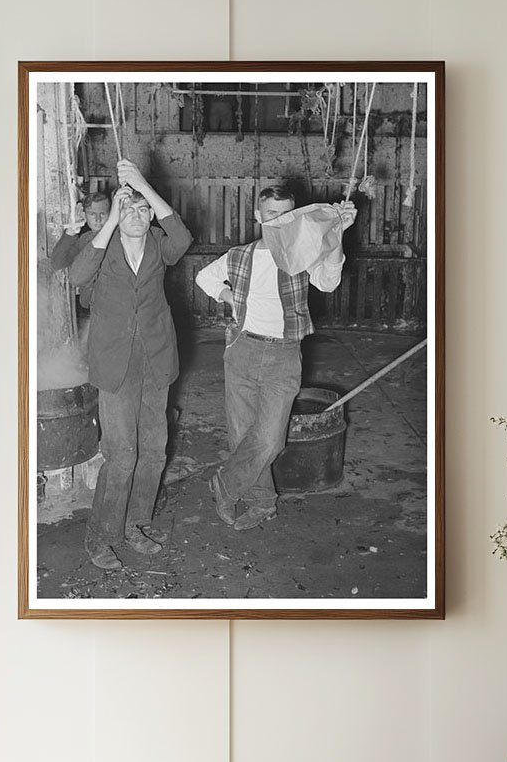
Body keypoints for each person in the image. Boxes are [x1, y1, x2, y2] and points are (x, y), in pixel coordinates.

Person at [195, 184, 357, 530]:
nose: (280, 220)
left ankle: (225, 485)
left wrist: (337, 234)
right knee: (242, 434)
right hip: (242, 349)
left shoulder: (303, 255)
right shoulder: (240, 255)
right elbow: (204, 277)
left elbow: (329, 283)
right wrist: (230, 296)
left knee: (269, 439)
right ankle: (262, 503)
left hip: (284, 355)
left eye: (287, 215)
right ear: (259, 216)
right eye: (272, 214)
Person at [68, 159, 192, 571]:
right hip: (115, 364)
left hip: (156, 360)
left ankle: (137, 524)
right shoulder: (102, 251)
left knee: (154, 451)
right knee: (122, 455)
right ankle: (101, 536)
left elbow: (183, 236)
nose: (137, 217)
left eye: (143, 210)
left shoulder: (159, 242)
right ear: (118, 217)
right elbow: (76, 274)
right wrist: (110, 222)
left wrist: (142, 185)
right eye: (129, 210)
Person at [49, 190, 111, 273]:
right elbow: (57, 263)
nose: (98, 219)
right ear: (84, 215)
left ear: (110, 214)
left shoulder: (119, 237)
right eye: (92, 214)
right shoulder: (84, 240)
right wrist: (72, 230)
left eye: (102, 213)